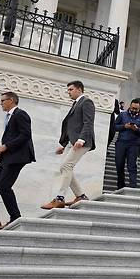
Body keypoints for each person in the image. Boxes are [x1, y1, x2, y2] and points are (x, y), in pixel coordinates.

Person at [0, 92, 35, 229]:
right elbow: (14, 137)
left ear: (11, 100)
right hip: (8, 158)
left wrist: (6, 146)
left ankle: (16, 218)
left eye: (3, 100)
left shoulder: (20, 114)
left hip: (17, 158)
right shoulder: (10, 117)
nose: (1, 103)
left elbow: (25, 135)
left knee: (3, 186)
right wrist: (1, 153)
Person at [41, 81, 95, 209]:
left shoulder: (86, 102)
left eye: (71, 89)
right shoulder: (76, 104)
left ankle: (60, 198)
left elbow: (88, 123)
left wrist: (81, 140)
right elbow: (72, 126)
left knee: (66, 166)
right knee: (64, 168)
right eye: (68, 90)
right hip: (72, 142)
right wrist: (65, 145)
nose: (68, 92)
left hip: (82, 142)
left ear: (79, 90)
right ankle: (81, 196)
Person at [113, 98, 140, 189]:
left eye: (136, 109)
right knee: (119, 164)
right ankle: (120, 186)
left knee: (132, 165)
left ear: (139, 109)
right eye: (132, 108)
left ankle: (133, 186)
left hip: (134, 145)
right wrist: (124, 126)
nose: (133, 110)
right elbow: (114, 126)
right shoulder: (122, 115)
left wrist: (137, 129)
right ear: (130, 106)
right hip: (121, 143)